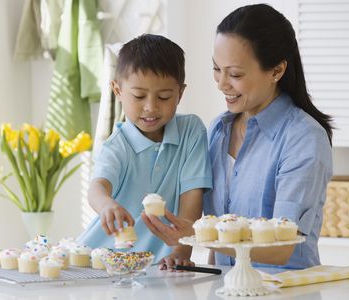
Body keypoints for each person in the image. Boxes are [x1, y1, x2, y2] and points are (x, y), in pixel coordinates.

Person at [142, 4, 333, 270]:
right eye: (216, 69)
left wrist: (195, 236)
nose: (221, 83)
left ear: (276, 71)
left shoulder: (304, 138)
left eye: (235, 74)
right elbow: (218, 231)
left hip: (284, 290)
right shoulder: (218, 130)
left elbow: (283, 249)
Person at [77, 34, 213, 269]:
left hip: (159, 266)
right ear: (117, 90)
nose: (151, 107)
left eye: (164, 97)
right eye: (139, 96)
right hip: (101, 262)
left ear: (180, 94)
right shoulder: (117, 145)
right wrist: (107, 205)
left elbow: (192, 195)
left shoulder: (191, 131)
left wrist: (181, 250)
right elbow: (97, 188)